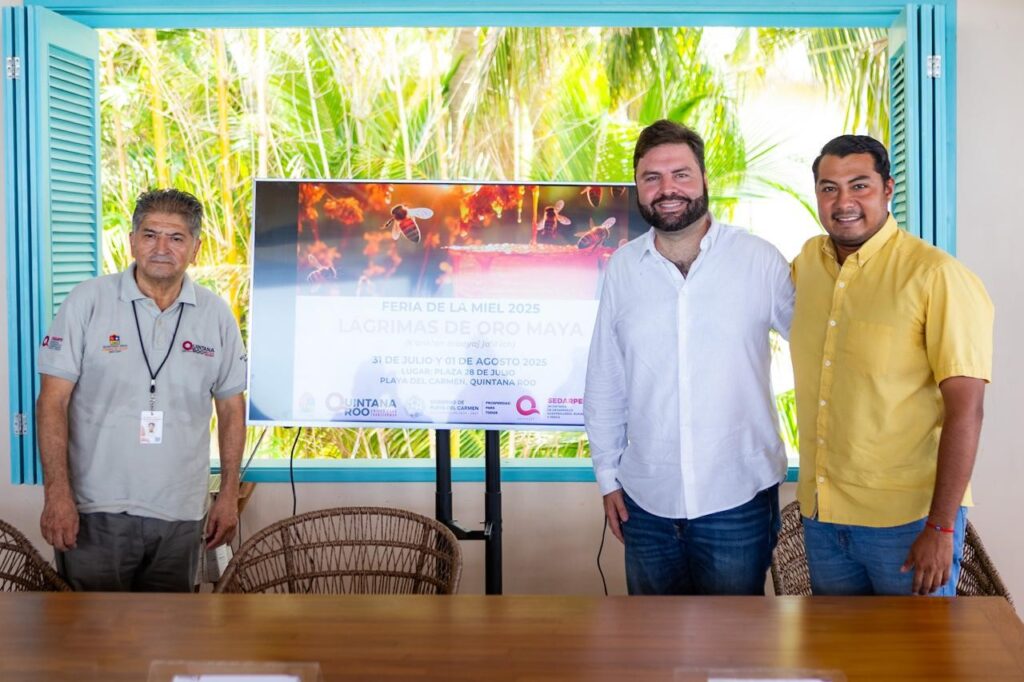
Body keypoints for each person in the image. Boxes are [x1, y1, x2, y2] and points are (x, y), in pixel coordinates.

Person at [584, 120, 794, 595]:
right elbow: (605, 379)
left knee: (733, 640)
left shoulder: (759, 260)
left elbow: (821, 351)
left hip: (739, 499)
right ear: (637, 186)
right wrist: (607, 477)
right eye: (652, 178)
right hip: (646, 504)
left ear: (703, 179)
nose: (667, 189)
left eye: (680, 174)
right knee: (652, 639)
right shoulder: (623, 269)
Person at [790, 135, 993, 596]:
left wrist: (941, 528)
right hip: (823, 519)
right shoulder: (809, 263)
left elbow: (967, 411)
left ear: (887, 189)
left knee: (919, 646)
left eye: (859, 185)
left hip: (908, 524)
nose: (843, 202)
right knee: (839, 645)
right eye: (829, 188)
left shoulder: (937, 276)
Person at [36, 188, 247, 592]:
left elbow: (231, 409)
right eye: (150, 235)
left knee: (172, 630)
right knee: (91, 627)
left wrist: (228, 494)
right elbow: (52, 402)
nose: (161, 248)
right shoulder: (87, 302)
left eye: (176, 237)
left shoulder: (217, 315)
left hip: (183, 513)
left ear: (196, 248)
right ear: (132, 241)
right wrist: (57, 493)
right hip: (95, 509)